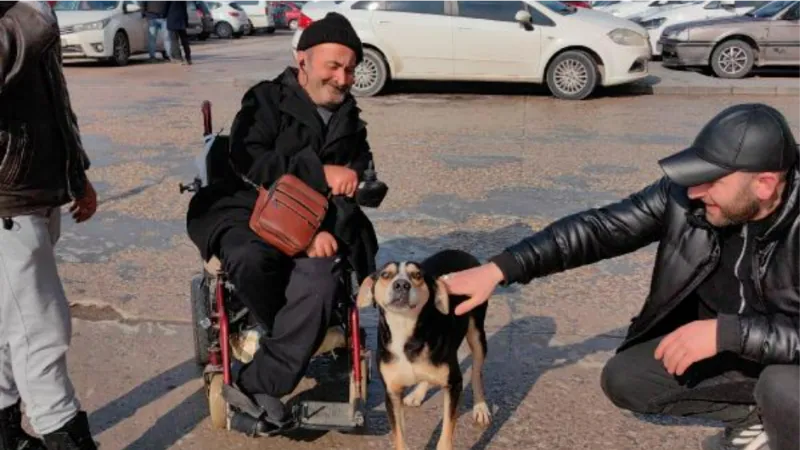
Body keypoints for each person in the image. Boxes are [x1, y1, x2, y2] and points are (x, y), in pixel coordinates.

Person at [442, 103, 800, 450]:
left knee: (783, 389)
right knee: (627, 378)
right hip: (730, 345)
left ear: (764, 184)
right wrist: (499, 269)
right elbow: (601, 229)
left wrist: (729, 333)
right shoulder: (688, 196)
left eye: (710, 180)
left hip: (788, 364)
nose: (694, 191)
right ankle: (756, 420)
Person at [186, 12, 379, 430]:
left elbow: (356, 183)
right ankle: (291, 333)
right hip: (250, 211)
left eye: (350, 69)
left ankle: (256, 384)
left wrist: (358, 189)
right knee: (249, 259)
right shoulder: (266, 100)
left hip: (324, 227)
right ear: (303, 61)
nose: (343, 78)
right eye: (333, 66)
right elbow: (249, 159)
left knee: (322, 281)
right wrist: (318, 175)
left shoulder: (352, 123)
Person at [0, 0, 99, 449]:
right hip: (7, 203)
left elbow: (57, 103)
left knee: (9, 323)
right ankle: (64, 434)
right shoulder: (26, 17)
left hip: (35, 190)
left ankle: (6, 433)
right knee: (40, 327)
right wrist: (35, 11)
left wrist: (77, 175)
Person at [165, 0, 190, 65]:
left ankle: (179, 58)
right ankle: (188, 58)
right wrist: (186, 21)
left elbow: (165, 8)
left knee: (174, 40)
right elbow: (185, 9)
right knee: (184, 40)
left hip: (172, 20)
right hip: (181, 20)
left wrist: (163, 15)